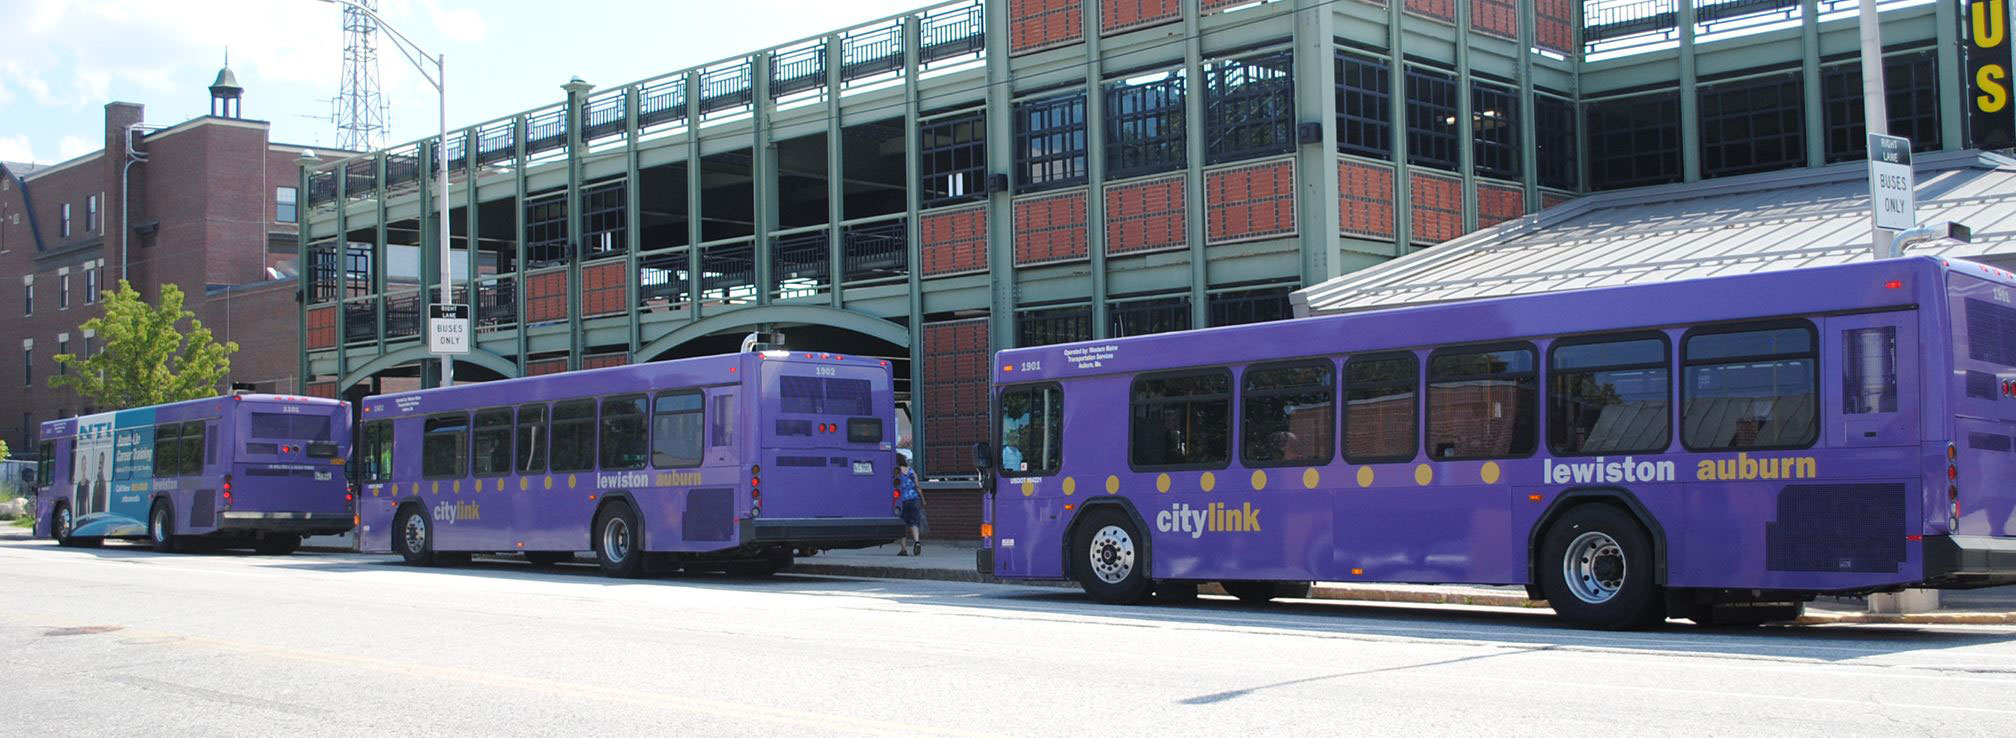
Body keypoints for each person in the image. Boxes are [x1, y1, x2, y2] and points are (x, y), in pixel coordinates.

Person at [894, 454, 923, 556]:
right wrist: (923, 499)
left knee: (902, 525)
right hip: (914, 499)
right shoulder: (911, 471)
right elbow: (917, 486)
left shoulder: (896, 471)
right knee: (914, 523)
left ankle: (903, 549)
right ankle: (917, 541)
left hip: (902, 501)